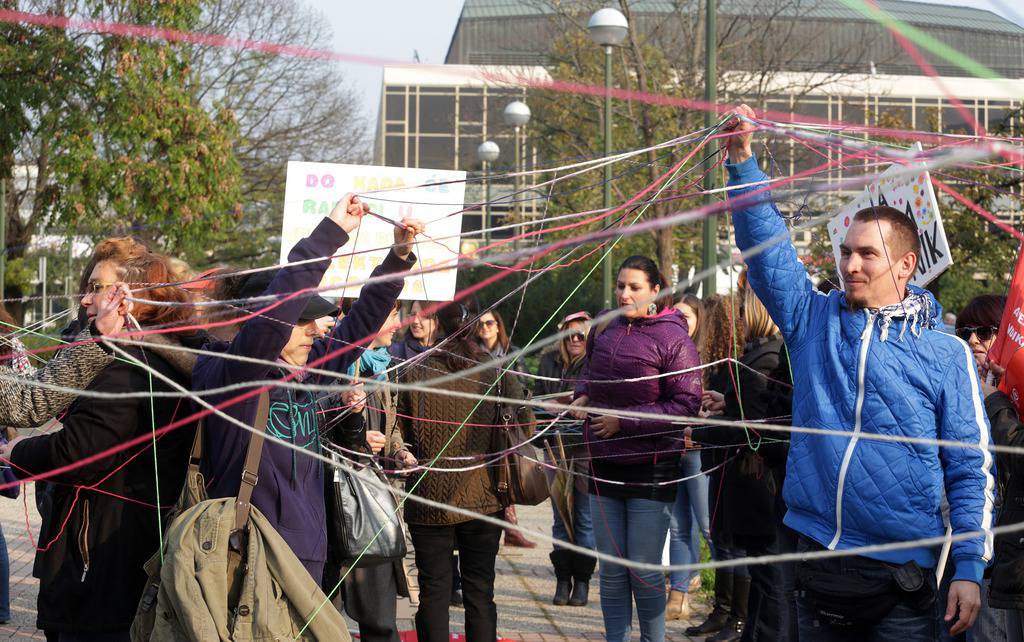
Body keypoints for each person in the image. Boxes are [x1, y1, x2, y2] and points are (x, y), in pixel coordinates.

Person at [725, 103, 995, 641]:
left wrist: (968, 566)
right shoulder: (813, 321)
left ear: (904, 265)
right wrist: (742, 163)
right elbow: (769, 254)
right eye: (847, 252)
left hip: (900, 579)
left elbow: (971, 468)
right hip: (814, 556)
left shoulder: (946, 353)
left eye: (867, 254)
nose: (851, 265)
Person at [194, 193, 422, 583]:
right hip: (250, 557)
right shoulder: (235, 372)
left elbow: (360, 324)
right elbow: (278, 311)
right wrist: (332, 234)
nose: (316, 329)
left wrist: (398, 258)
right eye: (302, 321)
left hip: (309, 556)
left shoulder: (310, 370)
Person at [2, 245, 203, 641]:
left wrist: (18, 452)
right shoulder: (144, 361)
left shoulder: (131, 371)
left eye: (97, 287)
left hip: (103, 560)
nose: (84, 298)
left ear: (134, 298)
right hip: (105, 553)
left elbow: (76, 452)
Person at [569, 255, 703, 642]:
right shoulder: (606, 327)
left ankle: (653, 638)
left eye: (634, 287)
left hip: (651, 469)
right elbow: (591, 373)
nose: (624, 294)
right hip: (603, 466)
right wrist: (581, 396)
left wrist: (623, 420)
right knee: (611, 569)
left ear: (655, 291)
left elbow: (685, 405)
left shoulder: (673, 338)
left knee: (642, 569)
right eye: (621, 286)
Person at [398, 300, 535, 642]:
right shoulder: (494, 369)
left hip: (429, 497)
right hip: (483, 496)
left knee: (434, 590)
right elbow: (525, 425)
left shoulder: (413, 370)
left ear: (436, 326)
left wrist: (403, 452)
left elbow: (396, 429)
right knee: (479, 590)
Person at [698, 284, 797, 642]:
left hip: (761, 489)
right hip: (752, 488)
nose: (738, 318)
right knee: (762, 577)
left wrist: (703, 433)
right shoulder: (759, 358)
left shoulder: (765, 360)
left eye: (743, 310)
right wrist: (727, 403)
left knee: (770, 581)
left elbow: (756, 433)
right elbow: (751, 413)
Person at [320, 298, 417, 642]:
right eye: (392, 316)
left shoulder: (383, 367)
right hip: (336, 504)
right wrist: (355, 436)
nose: (399, 324)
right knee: (326, 620)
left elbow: (390, 430)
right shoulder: (332, 366)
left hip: (375, 504)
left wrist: (399, 451)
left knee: (380, 620)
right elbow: (312, 428)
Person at [942, 294, 1019, 642]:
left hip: (1002, 556)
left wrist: (998, 397)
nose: (973, 340)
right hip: (960, 545)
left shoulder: (1011, 396)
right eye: (964, 332)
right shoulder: (952, 388)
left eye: (985, 331)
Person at [687, 293, 749, 639]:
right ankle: (722, 610)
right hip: (715, 459)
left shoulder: (734, 364)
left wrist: (710, 414)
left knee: (731, 542)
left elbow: (738, 411)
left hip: (733, 463)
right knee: (721, 536)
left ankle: (738, 618)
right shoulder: (711, 364)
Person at [536, 310, 596, 607]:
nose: (574, 339)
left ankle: (582, 581)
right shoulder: (548, 362)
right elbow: (533, 401)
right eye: (569, 333)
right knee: (560, 515)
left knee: (583, 517)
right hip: (554, 444)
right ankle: (562, 579)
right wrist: (548, 406)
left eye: (581, 334)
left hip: (584, 447)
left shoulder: (595, 363)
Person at [667, 293, 712, 621]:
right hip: (673, 449)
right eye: (676, 316)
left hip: (697, 452)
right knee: (678, 525)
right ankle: (678, 596)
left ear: (699, 321)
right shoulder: (668, 353)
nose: (681, 322)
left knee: (708, 526)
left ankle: (729, 602)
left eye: (687, 316)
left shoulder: (708, 356)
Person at [476, 308, 534, 548]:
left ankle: (510, 527)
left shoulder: (512, 353)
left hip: (507, 423)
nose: (485, 328)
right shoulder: (474, 353)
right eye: (480, 324)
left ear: (498, 326)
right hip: (482, 421)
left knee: (506, 474)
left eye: (490, 323)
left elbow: (523, 385)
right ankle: (508, 528)